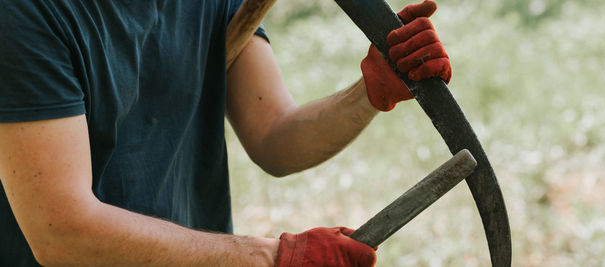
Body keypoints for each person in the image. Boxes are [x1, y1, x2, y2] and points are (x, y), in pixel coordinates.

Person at [0, 0, 451, 266]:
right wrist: (273, 257)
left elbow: (274, 138)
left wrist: (369, 93)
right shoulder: (26, 14)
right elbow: (61, 232)